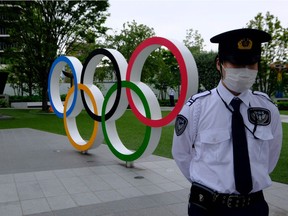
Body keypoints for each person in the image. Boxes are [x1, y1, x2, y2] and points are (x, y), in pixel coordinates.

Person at [172, 28, 283, 216]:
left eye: (252, 63)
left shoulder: (267, 109)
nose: (245, 70)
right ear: (219, 64)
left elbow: (271, 155)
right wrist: (206, 183)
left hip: (254, 207)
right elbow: (181, 153)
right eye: (237, 63)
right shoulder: (196, 108)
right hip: (209, 207)